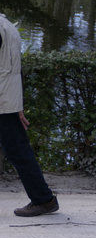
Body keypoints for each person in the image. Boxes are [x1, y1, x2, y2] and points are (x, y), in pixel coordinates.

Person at [0, 13, 59, 217]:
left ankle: (44, 199)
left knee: (18, 152)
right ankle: (44, 199)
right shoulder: (7, 26)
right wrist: (17, 104)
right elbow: (14, 70)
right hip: (6, 100)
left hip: (2, 101)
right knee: (18, 151)